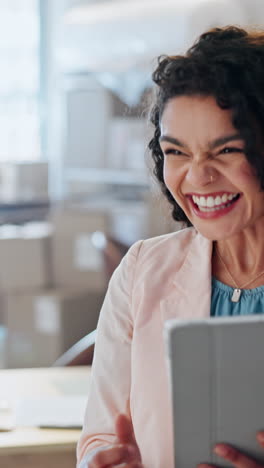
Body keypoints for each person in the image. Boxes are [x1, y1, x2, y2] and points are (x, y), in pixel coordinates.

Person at [77, 26, 264, 468]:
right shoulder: (142, 271)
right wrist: (110, 462)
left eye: (226, 150)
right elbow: (99, 436)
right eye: (176, 152)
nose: (197, 178)